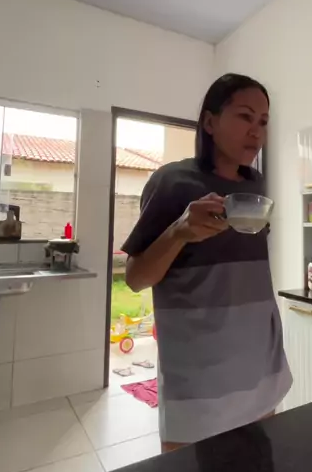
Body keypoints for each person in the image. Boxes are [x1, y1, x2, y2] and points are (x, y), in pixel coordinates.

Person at [122, 73, 292, 452]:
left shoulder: (256, 185)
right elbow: (135, 278)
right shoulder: (171, 182)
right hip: (197, 373)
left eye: (263, 121)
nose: (256, 131)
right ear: (210, 122)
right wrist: (180, 231)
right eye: (245, 116)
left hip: (259, 361)